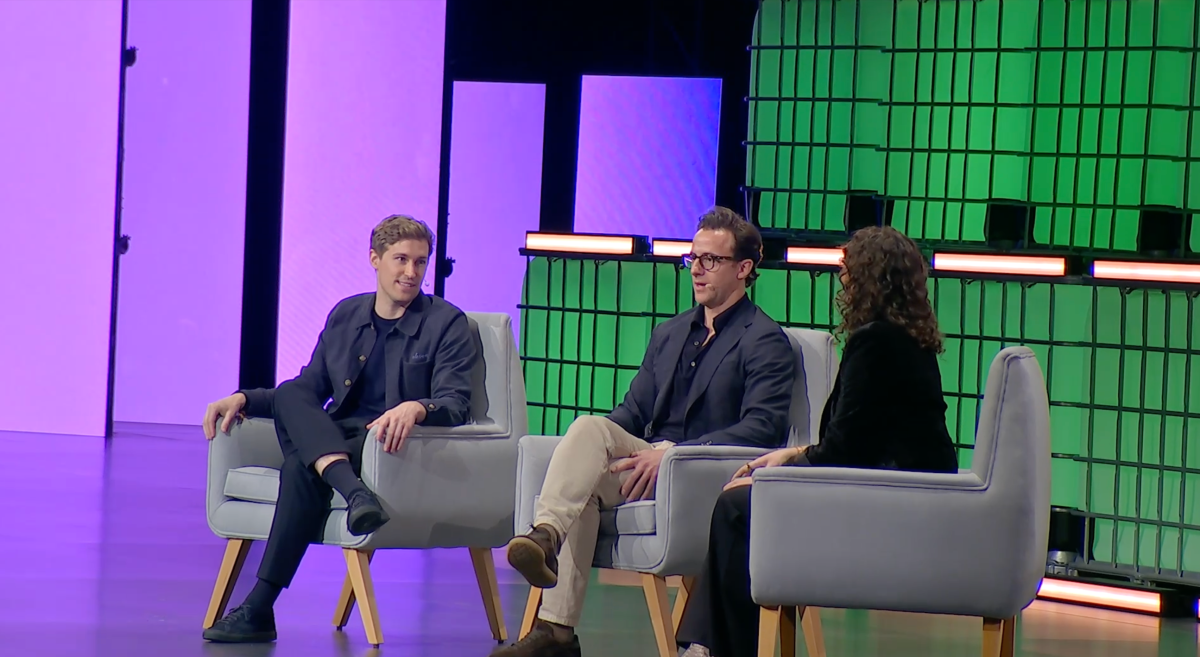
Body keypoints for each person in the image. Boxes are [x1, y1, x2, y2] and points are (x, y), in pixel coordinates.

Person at [492, 207, 798, 657]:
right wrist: (597, 451)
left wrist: (674, 453)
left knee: (589, 435)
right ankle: (557, 629)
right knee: (586, 460)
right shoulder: (671, 333)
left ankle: (546, 540)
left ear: (744, 268)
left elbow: (762, 428)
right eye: (692, 258)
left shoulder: (764, 340)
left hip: (702, 476)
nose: (696, 269)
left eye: (710, 260)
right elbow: (633, 412)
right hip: (645, 468)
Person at [675, 225, 960, 657]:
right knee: (746, 503)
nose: (841, 279)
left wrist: (782, 472)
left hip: (890, 498)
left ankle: (712, 647)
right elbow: (858, 439)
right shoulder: (906, 341)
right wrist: (791, 455)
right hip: (898, 488)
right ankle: (708, 645)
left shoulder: (875, 343)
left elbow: (845, 451)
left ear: (870, 278)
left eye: (849, 269)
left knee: (737, 505)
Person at [201, 215, 478, 643]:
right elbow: (309, 389)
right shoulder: (346, 314)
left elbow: (456, 403)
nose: (411, 272)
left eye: (420, 262)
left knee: (300, 466)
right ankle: (354, 493)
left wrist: (417, 407)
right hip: (339, 436)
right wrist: (245, 399)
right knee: (292, 393)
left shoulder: (446, 323)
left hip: (387, 444)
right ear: (374, 259)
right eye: (401, 260)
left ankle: (259, 608)